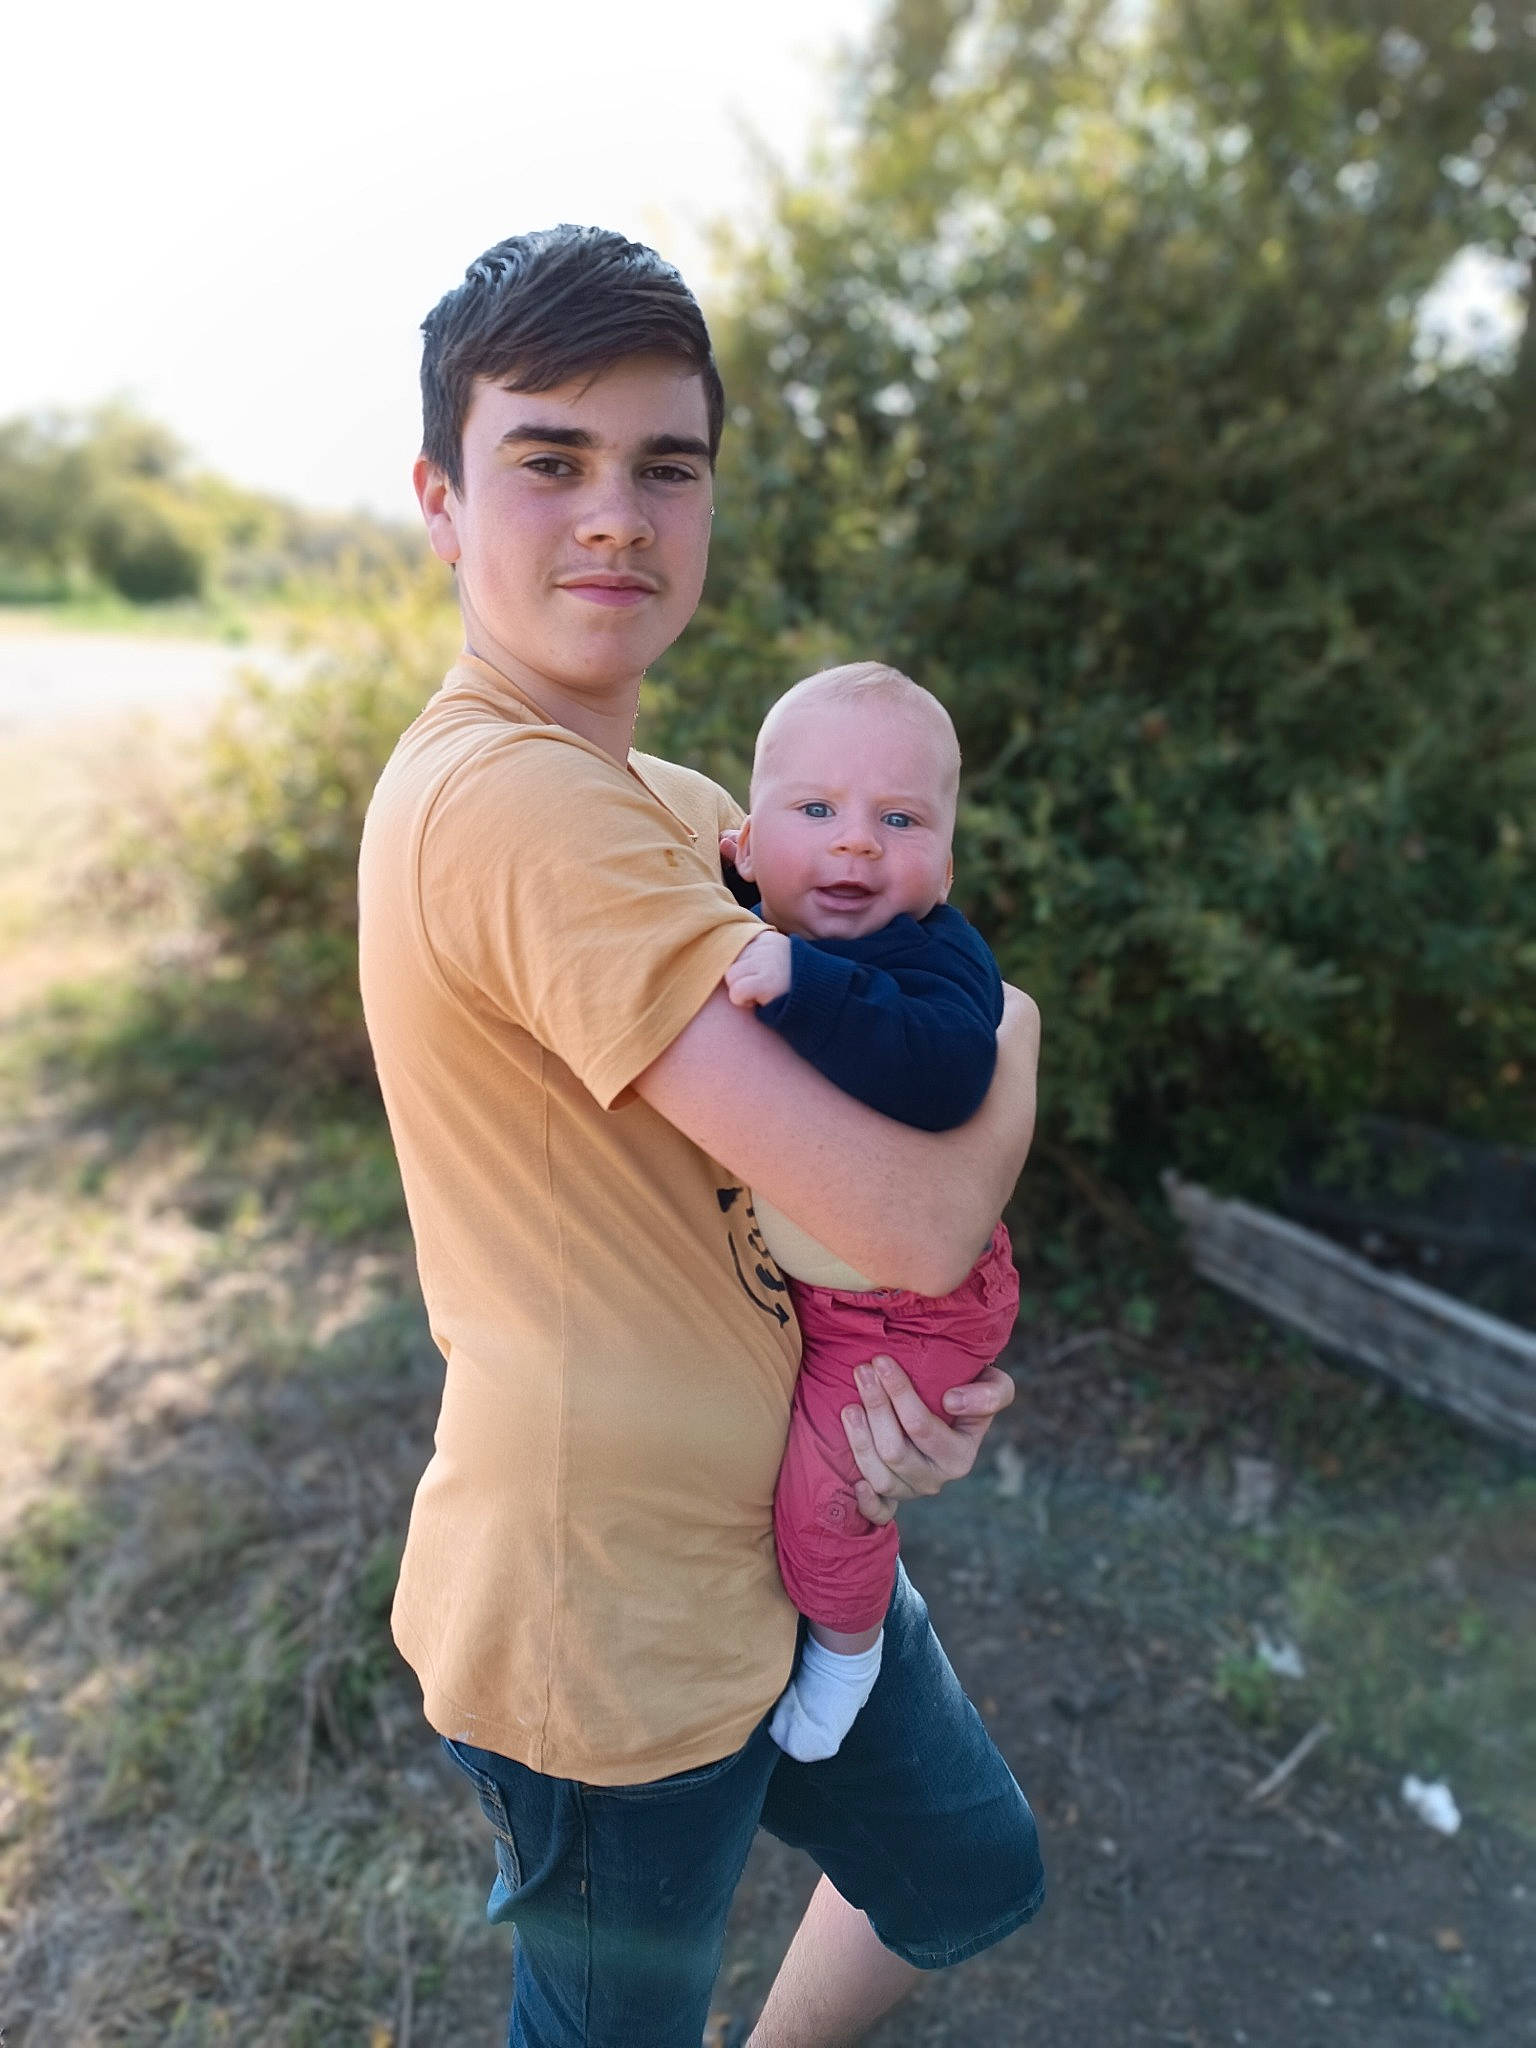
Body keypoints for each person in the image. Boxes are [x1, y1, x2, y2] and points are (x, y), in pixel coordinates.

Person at [358, 224, 1044, 2048]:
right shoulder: (514, 806)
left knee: (968, 1870)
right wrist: (1023, 1046)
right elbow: (910, 1208)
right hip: (607, 1615)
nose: (617, 514)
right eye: (550, 458)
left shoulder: (672, 806)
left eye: (666, 462)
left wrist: (899, 1397)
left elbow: (838, 1183)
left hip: (777, 1540)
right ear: (441, 499)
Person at [722, 662, 1021, 1763]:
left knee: (824, 1498)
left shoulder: (935, 956)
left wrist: (804, 981)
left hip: (910, 1313)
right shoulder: (751, 909)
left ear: (945, 859)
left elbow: (946, 1072)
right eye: (816, 811)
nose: (855, 845)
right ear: (747, 845)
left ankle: (848, 1654)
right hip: (831, 1288)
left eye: (899, 819)